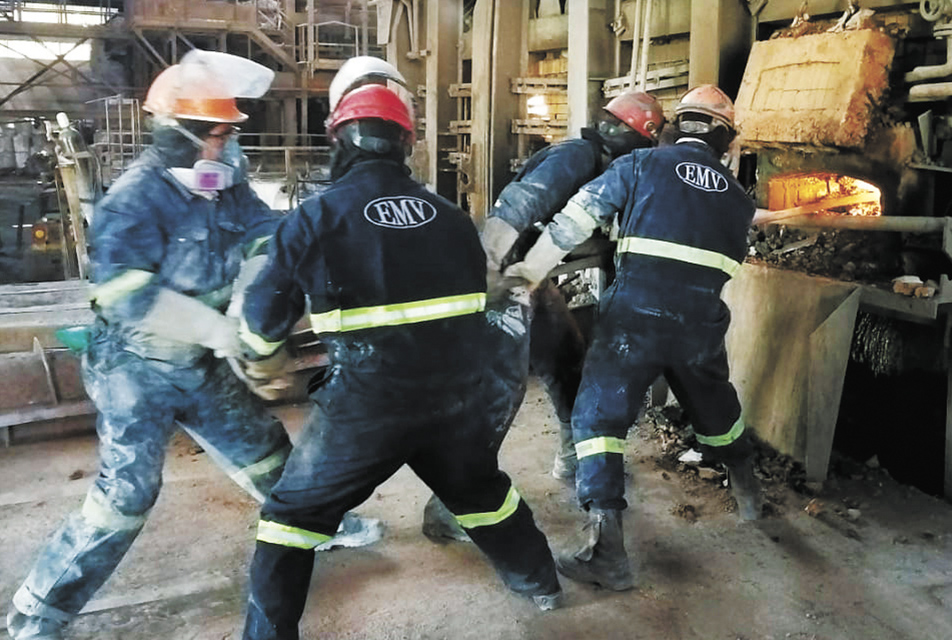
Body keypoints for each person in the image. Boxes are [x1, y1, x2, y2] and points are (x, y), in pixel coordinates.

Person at [4, 51, 377, 640]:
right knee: (125, 495)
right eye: (218, 133)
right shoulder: (133, 201)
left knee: (266, 449)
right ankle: (39, 608)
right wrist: (226, 332)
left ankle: (316, 526)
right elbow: (128, 296)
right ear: (178, 135)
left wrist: (254, 301)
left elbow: (266, 241)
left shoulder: (226, 188)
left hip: (198, 362)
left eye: (230, 133)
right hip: (133, 365)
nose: (227, 146)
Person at [236, 84, 562, 639]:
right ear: (405, 143)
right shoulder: (453, 218)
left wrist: (261, 363)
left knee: (291, 520)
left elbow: (263, 318)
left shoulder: (312, 220)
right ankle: (542, 585)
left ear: (338, 138)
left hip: (365, 408)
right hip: (455, 402)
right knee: (482, 492)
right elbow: (485, 312)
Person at [503, 84, 763, 591]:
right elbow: (731, 262)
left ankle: (608, 549)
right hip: (699, 324)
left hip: (634, 319)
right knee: (716, 411)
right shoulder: (738, 200)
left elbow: (573, 221)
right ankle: (750, 495)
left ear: (674, 127)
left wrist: (525, 276)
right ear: (726, 140)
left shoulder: (641, 164)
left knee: (598, 417)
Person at [417, 90, 666, 543]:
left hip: (530, 277)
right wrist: (489, 267)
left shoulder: (602, 164)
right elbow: (520, 203)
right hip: (507, 276)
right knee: (500, 394)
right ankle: (450, 504)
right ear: (636, 139)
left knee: (568, 360)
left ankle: (575, 461)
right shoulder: (577, 156)